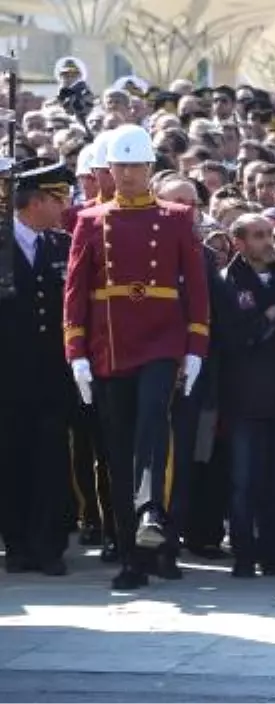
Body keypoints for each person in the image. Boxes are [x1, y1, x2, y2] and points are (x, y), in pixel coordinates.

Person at [63, 124, 211, 590]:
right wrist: (76, 351)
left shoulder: (176, 217)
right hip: (111, 343)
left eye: (135, 165)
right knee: (117, 448)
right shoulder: (91, 219)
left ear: (150, 168)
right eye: (120, 165)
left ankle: (153, 513)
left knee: (153, 420)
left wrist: (196, 347)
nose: (127, 173)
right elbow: (76, 290)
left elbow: (198, 290)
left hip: (161, 339)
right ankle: (132, 553)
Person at [215, 214, 275, 578]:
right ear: (238, 242)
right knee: (244, 482)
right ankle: (242, 552)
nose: (267, 242)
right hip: (245, 398)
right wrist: (273, 313)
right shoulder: (226, 283)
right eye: (257, 236)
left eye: (269, 234)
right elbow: (235, 338)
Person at [0, 161, 77, 576]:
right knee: (12, 460)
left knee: (50, 461)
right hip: (8, 377)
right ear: (37, 201)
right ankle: (17, 543)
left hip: (51, 376)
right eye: (57, 198)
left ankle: (49, 546)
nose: (64, 206)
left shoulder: (61, 245)